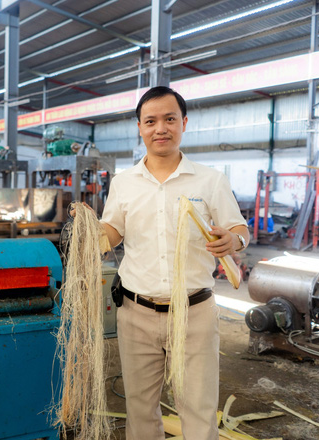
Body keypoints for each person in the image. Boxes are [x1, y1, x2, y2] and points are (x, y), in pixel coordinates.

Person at [90, 86, 249, 439]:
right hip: (137, 313)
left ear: (184, 123)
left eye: (169, 119)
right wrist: (92, 234)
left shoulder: (210, 180)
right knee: (140, 409)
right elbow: (114, 230)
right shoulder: (124, 182)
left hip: (194, 313)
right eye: (151, 121)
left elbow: (239, 228)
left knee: (198, 407)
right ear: (140, 128)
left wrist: (234, 239)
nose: (160, 128)